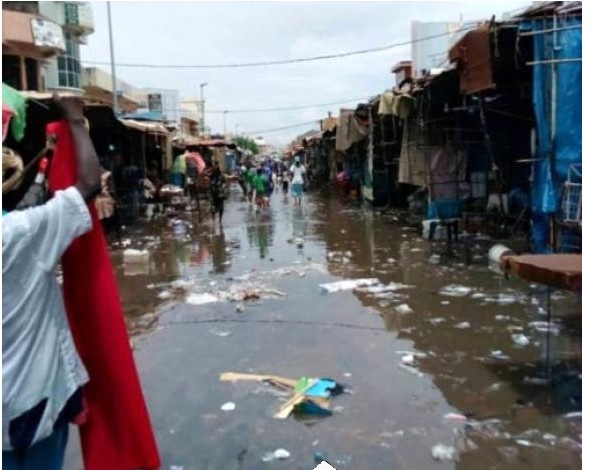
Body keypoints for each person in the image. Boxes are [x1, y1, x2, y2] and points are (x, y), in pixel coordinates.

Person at [2, 96, 101, 470]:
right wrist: (76, 119)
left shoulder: (20, 226)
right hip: (34, 398)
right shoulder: (18, 233)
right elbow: (89, 185)